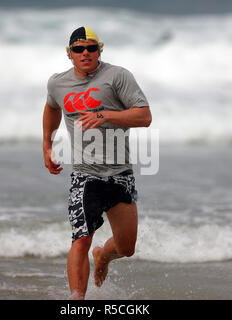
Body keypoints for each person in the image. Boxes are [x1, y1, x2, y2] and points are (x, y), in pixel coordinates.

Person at [42, 26, 151, 300]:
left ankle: (102, 256)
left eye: (91, 48)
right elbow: (53, 107)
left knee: (126, 248)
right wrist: (47, 144)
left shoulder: (117, 76)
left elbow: (144, 116)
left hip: (120, 173)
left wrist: (104, 115)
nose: (85, 53)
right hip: (85, 174)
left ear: (99, 50)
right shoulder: (57, 83)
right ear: (70, 54)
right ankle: (77, 301)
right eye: (79, 49)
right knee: (80, 238)